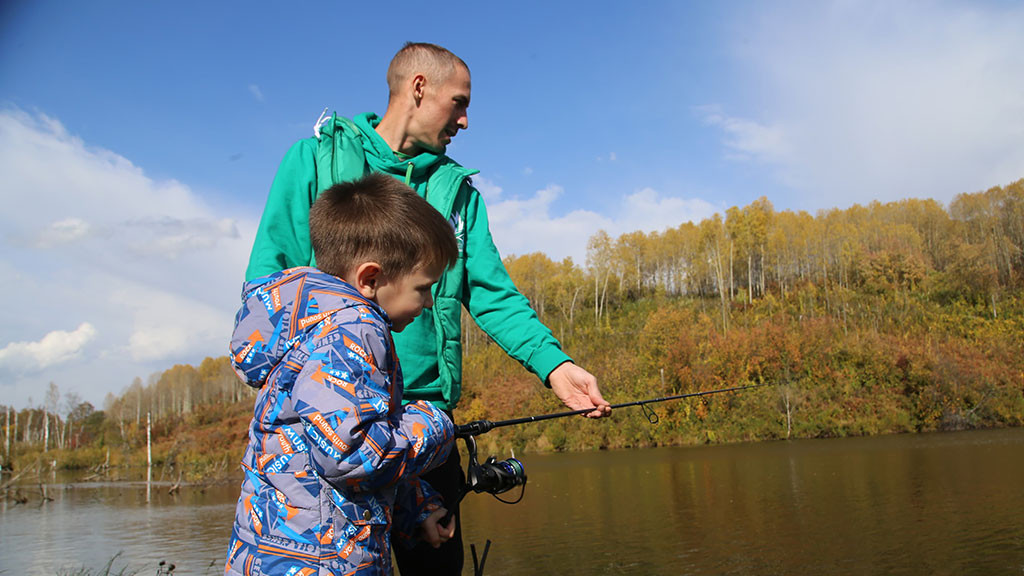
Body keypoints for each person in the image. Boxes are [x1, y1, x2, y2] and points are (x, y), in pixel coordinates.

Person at [245, 42, 611, 575]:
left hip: (423, 426)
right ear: (419, 88)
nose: (465, 120)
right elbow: (267, 287)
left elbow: (492, 294)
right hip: (326, 417)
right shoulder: (314, 160)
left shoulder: (459, 193)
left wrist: (555, 365)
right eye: (459, 102)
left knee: (436, 564)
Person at [225, 174, 460, 576]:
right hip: (323, 564)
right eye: (423, 288)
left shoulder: (309, 326)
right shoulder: (354, 330)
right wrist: (434, 425)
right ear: (370, 279)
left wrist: (415, 507)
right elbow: (350, 456)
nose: (427, 303)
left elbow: (332, 450)